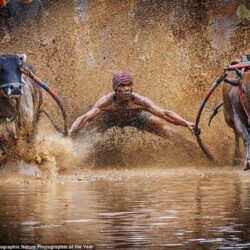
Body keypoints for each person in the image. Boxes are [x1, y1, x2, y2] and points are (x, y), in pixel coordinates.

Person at [68, 70, 197, 139]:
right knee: (85, 131)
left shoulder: (139, 101)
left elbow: (165, 113)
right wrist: (71, 131)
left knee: (161, 125)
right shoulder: (106, 102)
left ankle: (190, 148)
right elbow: (85, 118)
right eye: (122, 86)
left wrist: (186, 123)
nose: (127, 89)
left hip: (136, 118)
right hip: (109, 119)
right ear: (115, 89)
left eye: (129, 85)